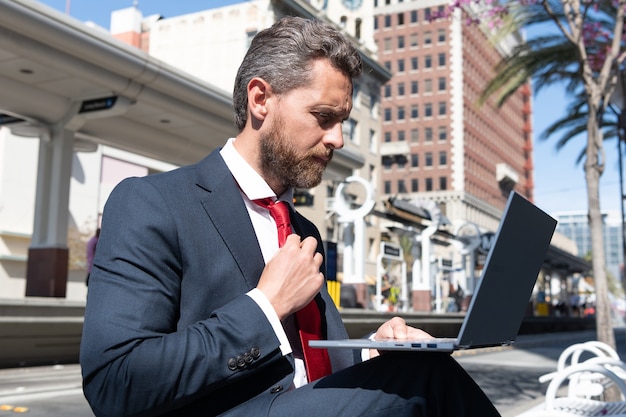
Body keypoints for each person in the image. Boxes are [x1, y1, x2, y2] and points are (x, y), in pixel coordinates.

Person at [80, 16, 501, 417]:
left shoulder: (303, 229)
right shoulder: (153, 202)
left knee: (416, 373)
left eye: (343, 122)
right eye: (323, 117)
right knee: (425, 381)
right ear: (261, 99)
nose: (336, 139)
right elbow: (114, 382)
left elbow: (309, 362)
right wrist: (266, 306)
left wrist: (373, 351)